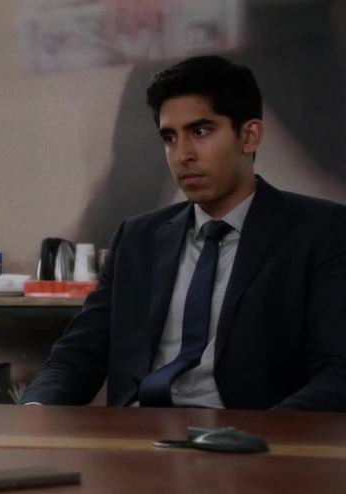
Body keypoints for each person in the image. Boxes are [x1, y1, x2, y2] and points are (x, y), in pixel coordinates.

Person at [22, 55, 346, 411]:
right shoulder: (137, 237)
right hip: (137, 432)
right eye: (169, 138)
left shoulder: (320, 231)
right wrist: (37, 410)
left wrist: (259, 435)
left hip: (247, 434)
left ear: (249, 136)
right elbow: (77, 356)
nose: (182, 154)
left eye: (200, 132)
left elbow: (338, 373)